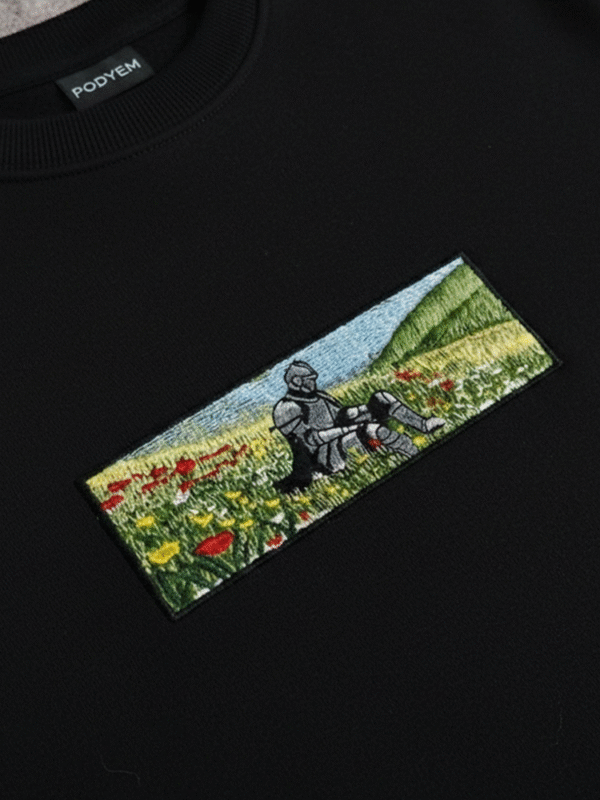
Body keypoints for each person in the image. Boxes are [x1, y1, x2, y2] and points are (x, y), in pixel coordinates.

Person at [272, 361, 445, 492]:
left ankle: (423, 425)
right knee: (369, 430)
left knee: (381, 398)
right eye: (309, 380)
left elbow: (340, 415)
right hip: (323, 457)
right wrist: (352, 428)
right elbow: (311, 440)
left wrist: (366, 409)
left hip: (340, 438)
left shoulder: (319, 396)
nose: (313, 383)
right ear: (296, 381)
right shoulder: (286, 408)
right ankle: (413, 453)